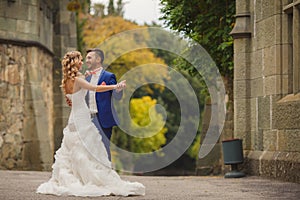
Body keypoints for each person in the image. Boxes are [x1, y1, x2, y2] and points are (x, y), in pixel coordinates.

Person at [36, 51, 145, 197]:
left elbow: (72, 98)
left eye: (87, 58)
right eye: (81, 59)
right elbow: (94, 88)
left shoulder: (67, 80)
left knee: (73, 148)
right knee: (87, 148)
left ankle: (78, 177)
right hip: (82, 117)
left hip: (74, 118)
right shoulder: (79, 78)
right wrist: (114, 86)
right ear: (75, 62)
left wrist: (112, 88)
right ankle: (92, 178)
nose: (83, 61)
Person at [84, 48, 124, 161]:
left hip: (103, 119)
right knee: (89, 149)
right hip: (88, 119)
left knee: (104, 148)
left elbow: (117, 96)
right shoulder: (86, 77)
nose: (86, 60)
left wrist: (118, 90)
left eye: (89, 58)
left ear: (98, 59)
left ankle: (107, 175)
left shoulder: (108, 76)